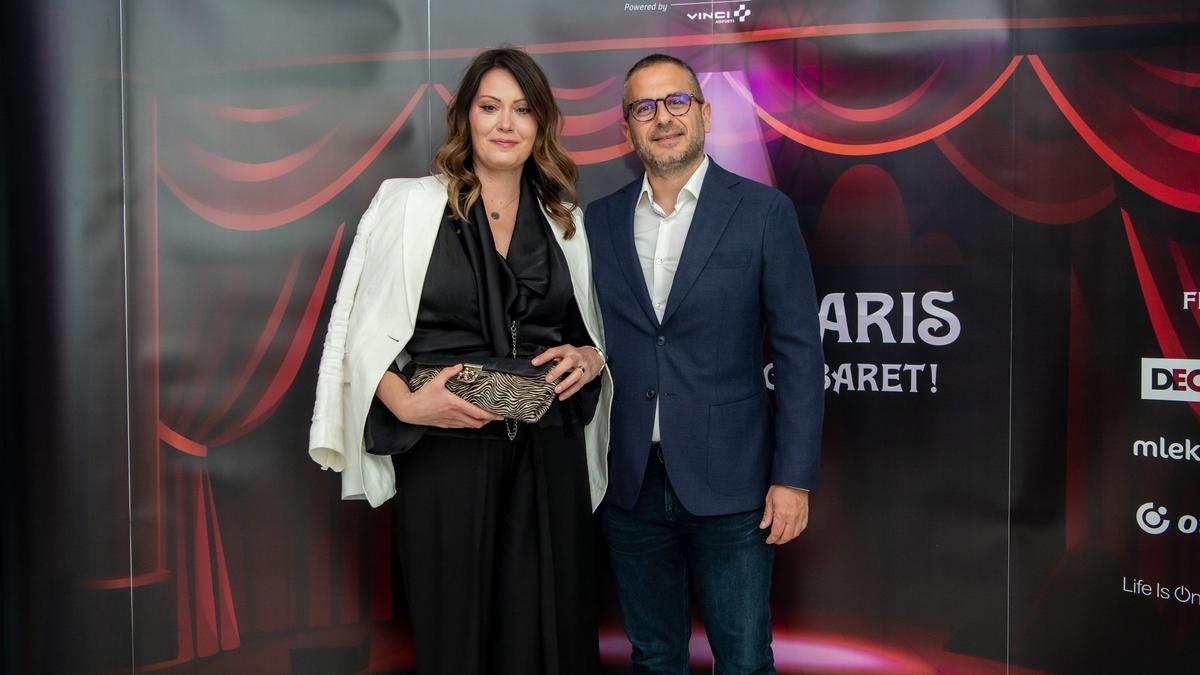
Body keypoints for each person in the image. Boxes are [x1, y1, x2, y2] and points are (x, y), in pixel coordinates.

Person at [307, 47, 611, 675]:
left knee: (549, 636)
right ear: (466, 117)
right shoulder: (409, 204)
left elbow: (586, 331)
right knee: (457, 637)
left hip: (547, 454)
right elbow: (357, 325)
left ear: (541, 123)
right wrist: (404, 403)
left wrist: (589, 357)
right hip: (445, 452)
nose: (506, 124)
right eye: (490, 107)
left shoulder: (564, 220)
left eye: (522, 110)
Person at [585, 53, 824, 674]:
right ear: (626, 128)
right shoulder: (596, 222)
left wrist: (794, 478)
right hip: (629, 481)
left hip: (735, 481)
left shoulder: (764, 212)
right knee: (653, 657)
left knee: (743, 660)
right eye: (644, 108)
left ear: (705, 114)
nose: (662, 118)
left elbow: (800, 353)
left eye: (676, 102)